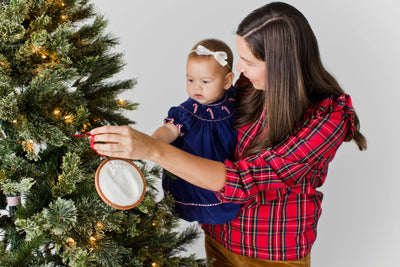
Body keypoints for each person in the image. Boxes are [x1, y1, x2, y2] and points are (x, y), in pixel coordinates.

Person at [90, 2, 367, 266]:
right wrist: (155, 138)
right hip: (219, 238)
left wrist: (153, 150)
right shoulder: (248, 88)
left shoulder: (327, 120)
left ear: (281, 64)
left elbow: (245, 180)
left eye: (248, 61)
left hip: (273, 255)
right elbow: (197, 115)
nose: (240, 69)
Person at [151, 39, 242, 225]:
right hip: (198, 170)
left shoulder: (234, 100)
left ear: (227, 81)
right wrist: (153, 141)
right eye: (190, 79)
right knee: (203, 195)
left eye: (205, 81)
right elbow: (170, 130)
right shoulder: (188, 111)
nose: (196, 87)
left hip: (226, 172)